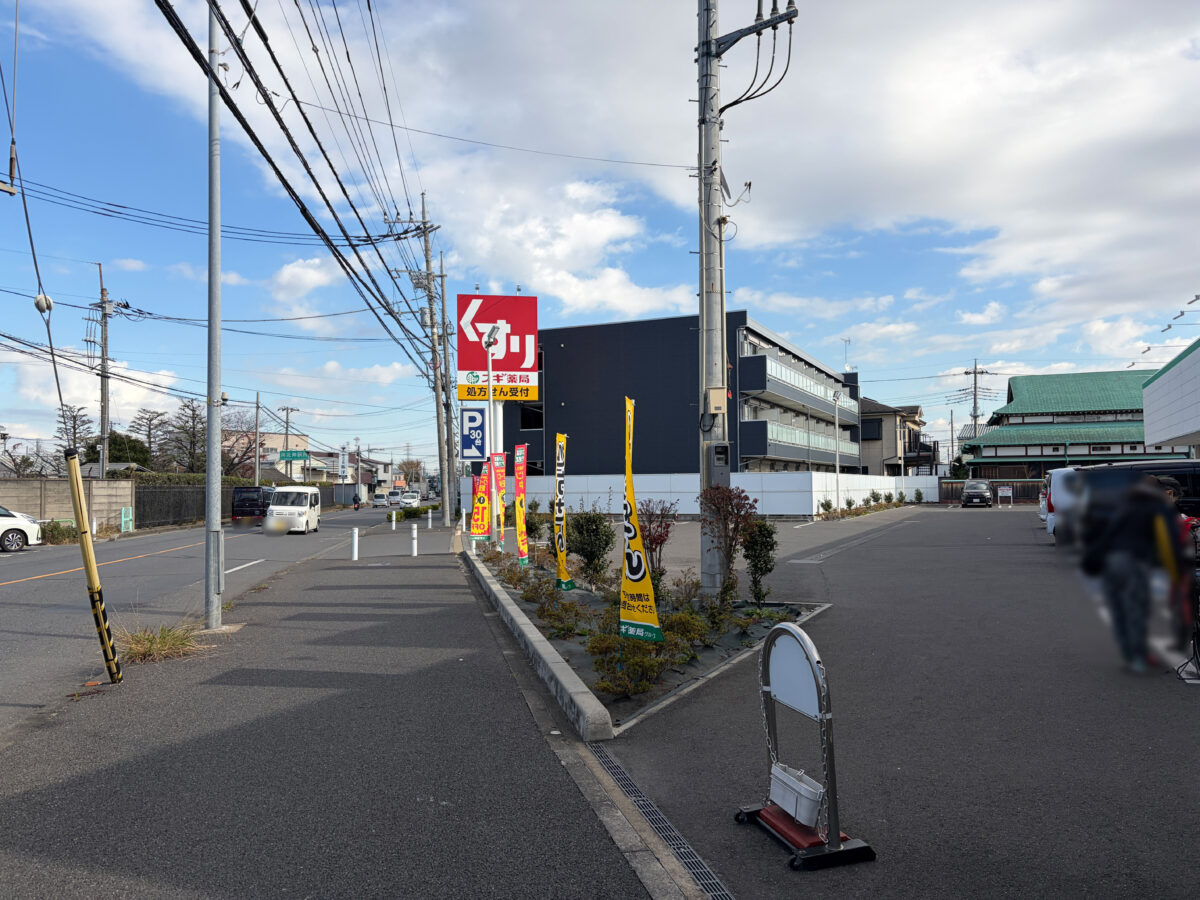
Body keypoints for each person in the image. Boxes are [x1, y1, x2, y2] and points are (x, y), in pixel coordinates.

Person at [1081, 476, 1189, 674]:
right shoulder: (1157, 508)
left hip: (1110, 562)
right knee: (1136, 609)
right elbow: (1166, 542)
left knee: (1119, 609)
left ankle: (1129, 654)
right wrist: (1176, 572)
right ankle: (1138, 657)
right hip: (1134, 562)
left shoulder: (1125, 505)